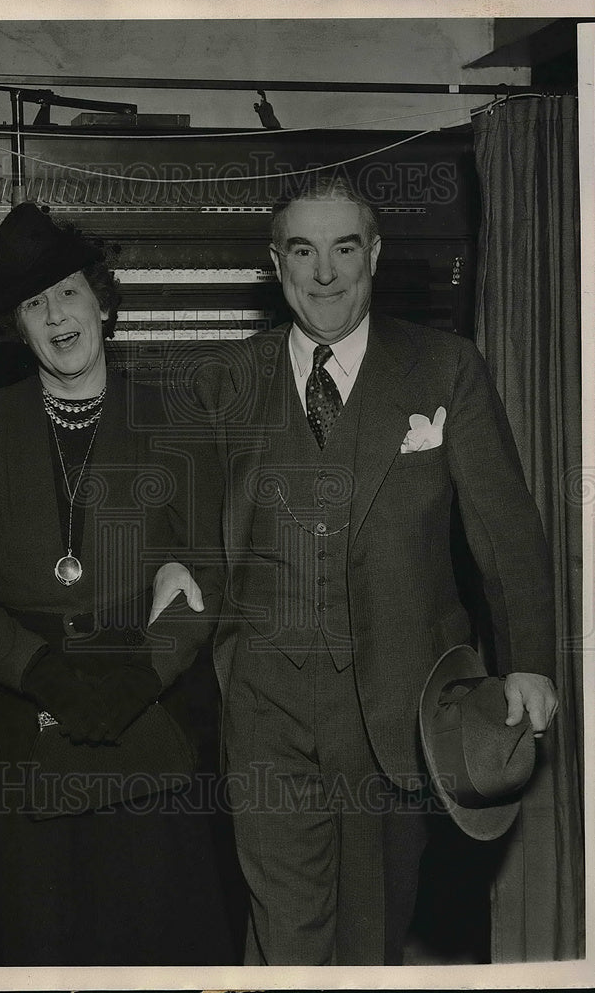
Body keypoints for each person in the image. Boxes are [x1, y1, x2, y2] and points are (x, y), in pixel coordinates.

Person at [153, 175, 560, 966]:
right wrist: (170, 558)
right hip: (266, 704)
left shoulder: (445, 370)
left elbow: (505, 534)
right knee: (287, 931)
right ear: (277, 265)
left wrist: (530, 663)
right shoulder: (223, 383)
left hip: (398, 707)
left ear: (373, 254)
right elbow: (190, 524)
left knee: (370, 936)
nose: (325, 273)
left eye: (344, 248)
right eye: (303, 251)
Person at [0, 202, 233, 966]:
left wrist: (142, 673)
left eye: (65, 291)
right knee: (29, 942)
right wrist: (40, 668)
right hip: (18, 729)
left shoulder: (177, 418)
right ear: (16, 328)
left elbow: (206, 573)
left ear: (101, 298)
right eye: (32, 304)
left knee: (149, 941)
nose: (55, 316)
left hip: (144, 723)